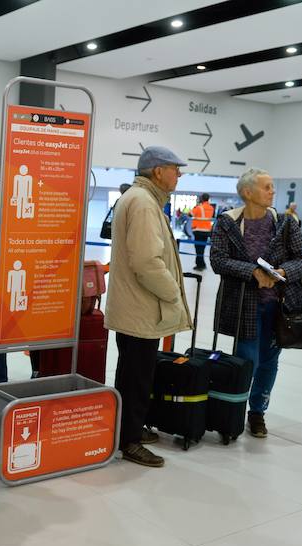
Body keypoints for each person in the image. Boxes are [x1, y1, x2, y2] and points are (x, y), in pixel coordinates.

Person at [106, 146, 192, 468]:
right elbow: (146, 262)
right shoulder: (143, 203)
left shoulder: (143, 200)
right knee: (137, 376)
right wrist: (173, 294)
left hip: (135, 307)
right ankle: (129, 440)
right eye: (175, 169)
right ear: (158, 171)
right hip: (141, 307)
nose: (179, 175)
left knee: (132, 372)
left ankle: (127, 429)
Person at [210, 168, 302, 438]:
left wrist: (283, 272)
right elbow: (218, 260)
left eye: (271, 187)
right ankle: (234, 411)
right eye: (266, 187)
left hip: (278, 307)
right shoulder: (227, 222)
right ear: (247, 192)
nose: (272, 191)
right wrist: (252, 272)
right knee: (247, 360)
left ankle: (257, 413)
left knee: (269, 361)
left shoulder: (284, 223)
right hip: (244, 305)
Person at [191, 193, 215, 270]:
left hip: (198, 230)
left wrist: (196, 205)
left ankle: (200, 265)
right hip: (207, 230)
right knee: (202, 248)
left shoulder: (198, 207)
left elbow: (190, 214)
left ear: (201, 198)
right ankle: (202, 264)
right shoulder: (211, 208)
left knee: (198, 248)